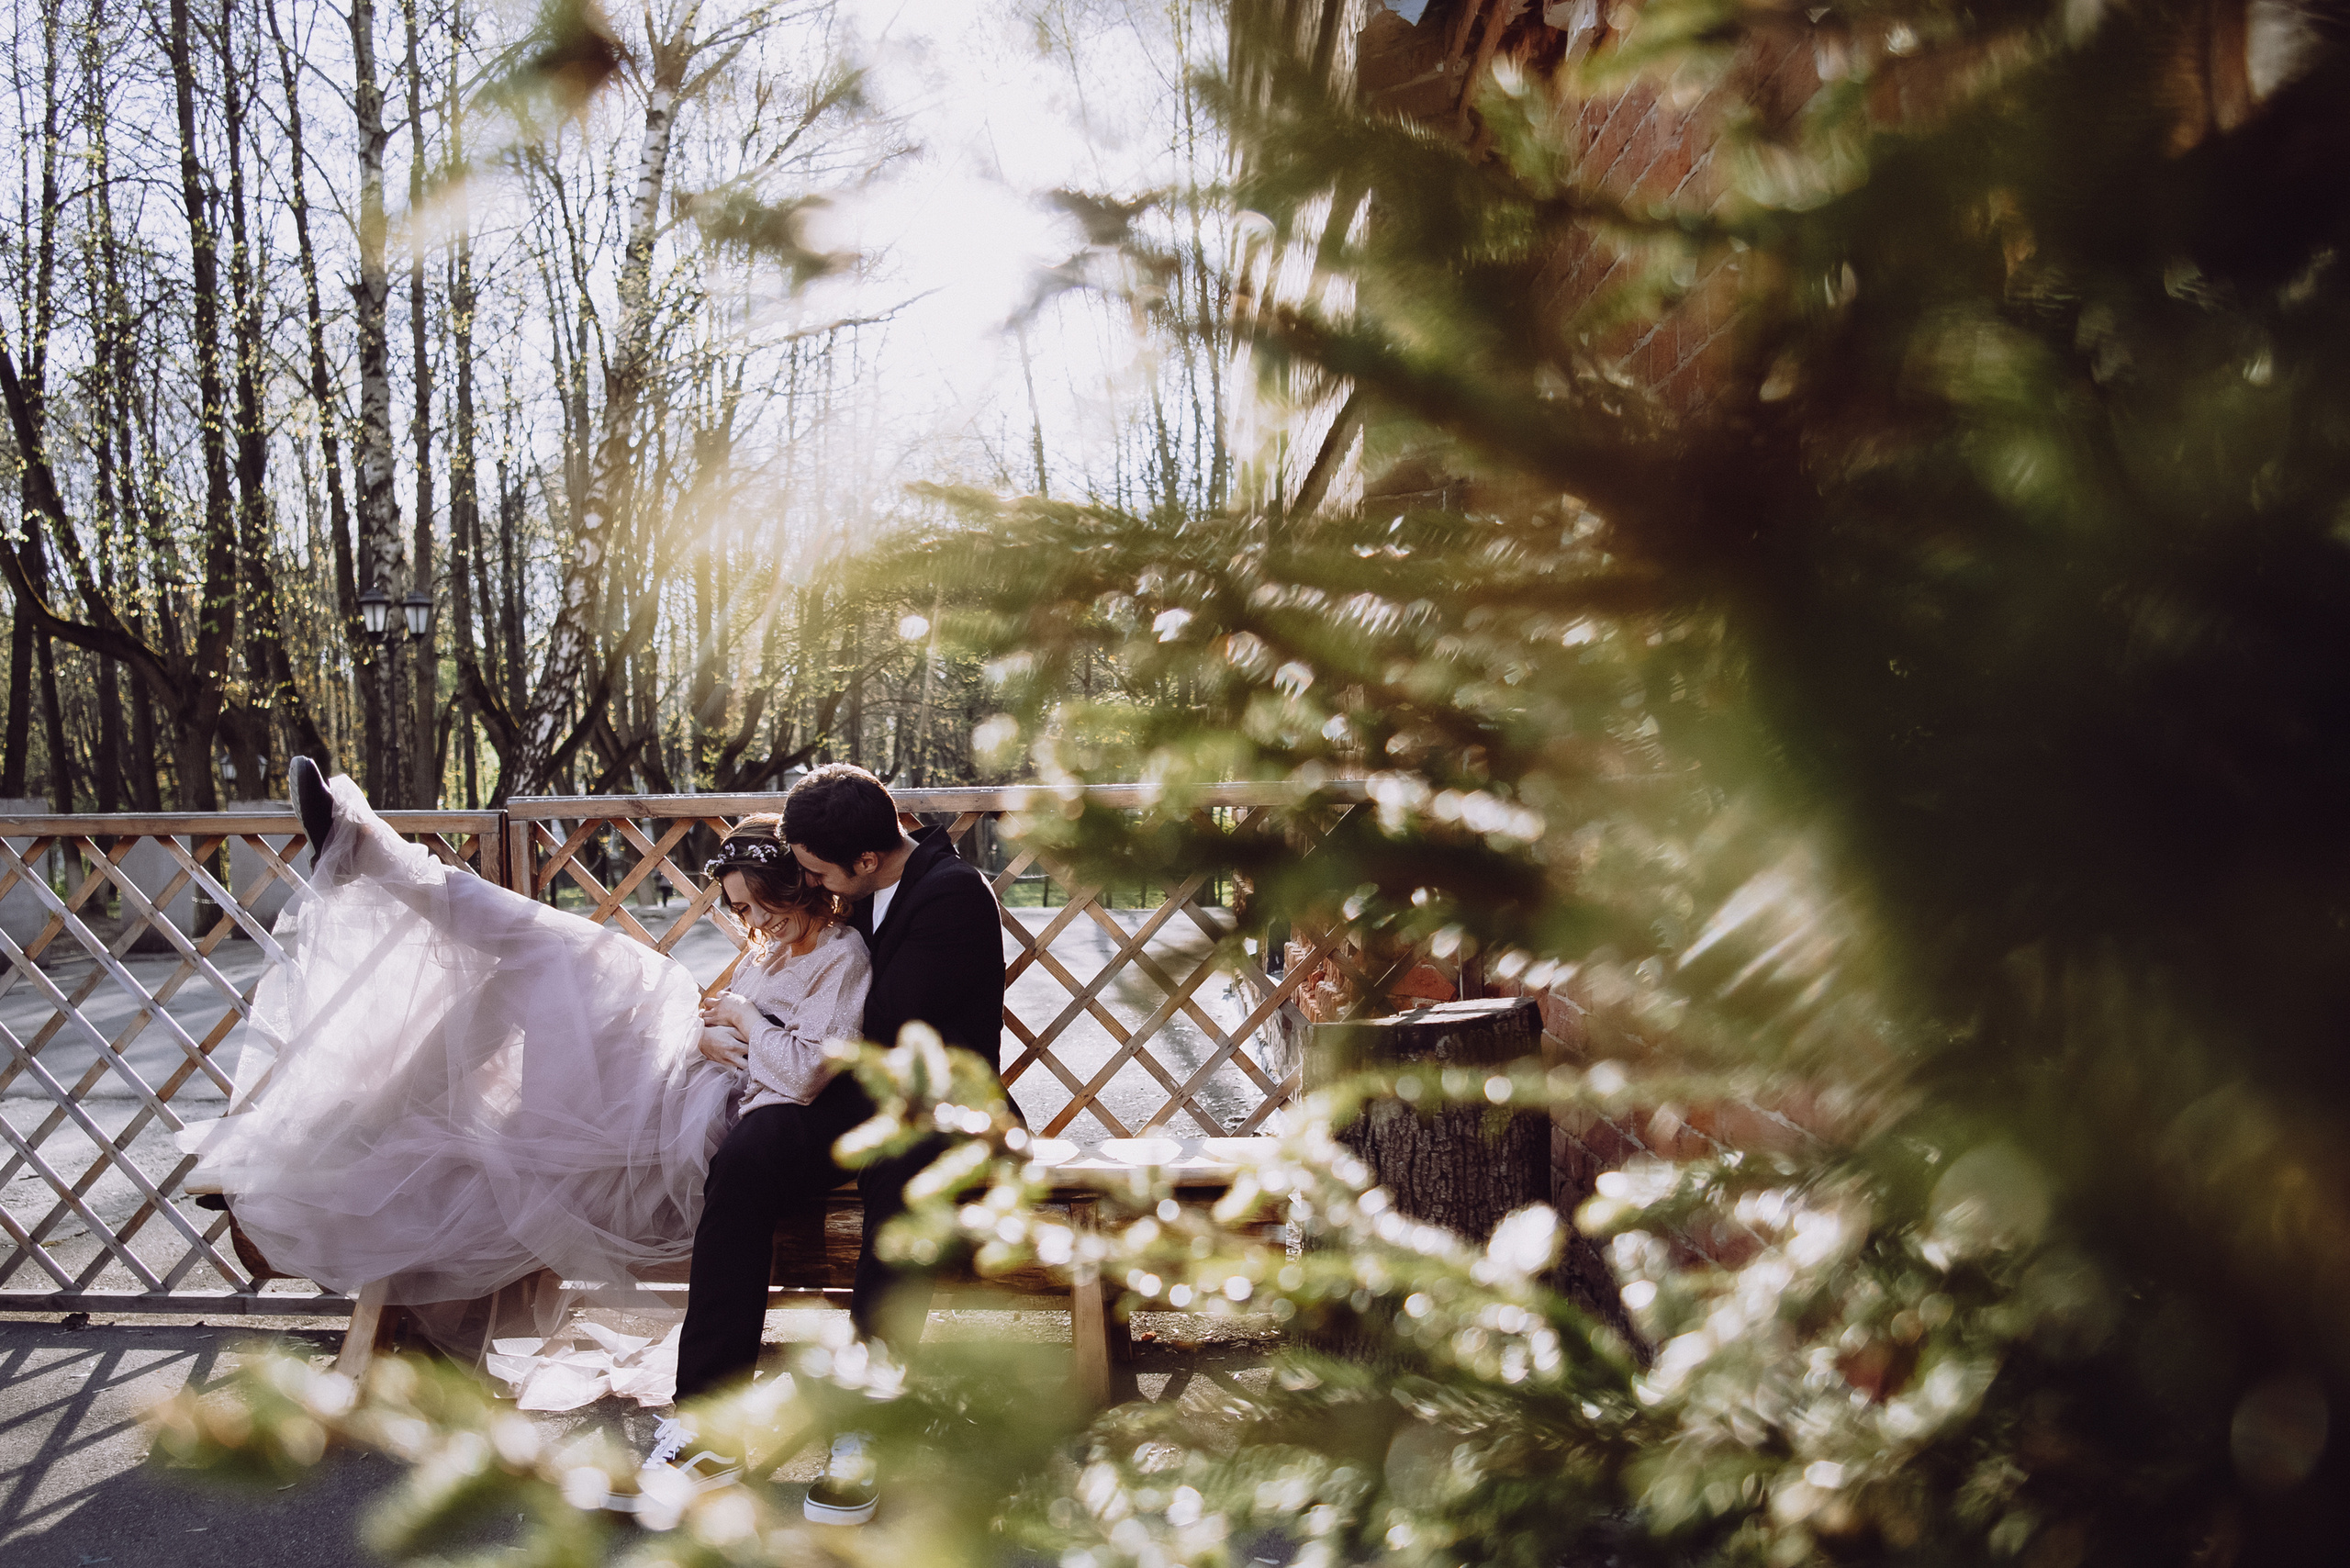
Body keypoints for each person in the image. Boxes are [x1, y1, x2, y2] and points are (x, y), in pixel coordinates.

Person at [177, 763, 869, 1435]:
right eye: (741, 908)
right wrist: (707, 1033)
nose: (755, 921)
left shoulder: (841, 956)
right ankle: (379, 912)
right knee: (532, 972)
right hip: (675, 1080)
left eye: (763, 904)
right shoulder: (769, 952)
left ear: (801, 886)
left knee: (575, 959)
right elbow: (722, 1025)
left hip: (697, 1124)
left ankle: (382, 866)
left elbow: (805, 1071)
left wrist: (741, 1022)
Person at [659, 763, 1012, 1526]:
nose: (809, 884)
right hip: (853, 1092)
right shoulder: (855, 889)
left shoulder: (951, 895)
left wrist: (759, 1026)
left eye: (817, 873)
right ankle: (708, 1421)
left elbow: (880, 1028)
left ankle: (867, 1424)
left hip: (936, 1103)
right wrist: (735, 1033)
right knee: (747, 1154)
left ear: (867, 859)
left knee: (901, 1179)